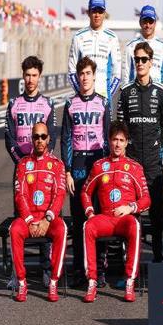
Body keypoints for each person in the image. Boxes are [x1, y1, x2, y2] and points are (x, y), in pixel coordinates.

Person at [81, 121, 151, 303]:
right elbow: (85, 192)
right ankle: (92, 281)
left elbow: (146, 199)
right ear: (109, 141)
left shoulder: (135, 167)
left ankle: (130, 281)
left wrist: (130, 208)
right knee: (88, 226)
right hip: (105, 218)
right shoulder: (99, 165)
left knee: (135, 225)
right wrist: (90, 212)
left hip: (125, 219)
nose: (117, 144)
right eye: (114, 140)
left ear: (127, 142)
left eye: (121, 140)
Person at [5, 55, 57, 288]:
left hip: (43, 171)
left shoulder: (47, 104)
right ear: (22, 76)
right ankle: (18, 273)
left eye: (34, 75)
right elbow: (9, 139)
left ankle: (46, 269)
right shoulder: (14, 104)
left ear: (39, 77)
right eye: (27, 75)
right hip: (22, 170)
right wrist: (23, 164)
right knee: (21, 219)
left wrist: (38, 164)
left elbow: (51, 138)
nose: (30, 79)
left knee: (43, 215)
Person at [117, 42, 163, 263]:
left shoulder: (161, 92)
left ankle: (158, 259)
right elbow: (120, 127)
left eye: (143, 59)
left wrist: (157, 146)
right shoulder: (125, 92)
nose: (140, 63)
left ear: (151, 62)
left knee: (156, 214)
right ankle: (132, 263)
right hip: (132, 162)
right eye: (137, 59)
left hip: (153, 162)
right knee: (132, 215)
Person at [61, 56, 110, 287]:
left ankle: (99, 269)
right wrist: (67, 171)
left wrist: (108, 168)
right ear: (78, 77)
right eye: (81, 74)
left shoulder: (103, 103)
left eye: (88, 73)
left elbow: (108, 138)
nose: (84, 77)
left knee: (99, 217)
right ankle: (79, 269)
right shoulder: (70, 104)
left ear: (94, 75)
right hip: (78, 165)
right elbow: (66, 138)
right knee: (80, 219)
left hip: (98, 163)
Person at [10, 122, 67, 302]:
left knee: (62, 229)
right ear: (31, 139)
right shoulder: (23, 164)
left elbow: (60, 194)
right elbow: (19, 195)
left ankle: (53, 281)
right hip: (29, 219)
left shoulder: (57, 164)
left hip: (48, 219)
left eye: (43, 136)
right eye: (36, 137)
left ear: (49, 139)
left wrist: (47, 219)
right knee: (14, 229)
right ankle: (21, 282)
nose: (40, 140)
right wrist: (29, 220)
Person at [68, 0, 122, 101]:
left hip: (104, 99)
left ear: (104, 14)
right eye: (94, 11)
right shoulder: (78, 37)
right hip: (83, 98)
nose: (97, 15)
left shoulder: (112, 38)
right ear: (88, 13)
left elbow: (117, 74)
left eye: (100, 11)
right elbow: (71, 71)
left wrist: (107, 96)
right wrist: (81, 92)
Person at [122, 5, 163, 90]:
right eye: (145, 21)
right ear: (140, 23)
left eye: (151, 21)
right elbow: (125, 78)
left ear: (155, 23)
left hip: (157, 94)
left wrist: (162, 95)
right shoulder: (130, 46)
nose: (148, 25)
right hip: (135, 93)